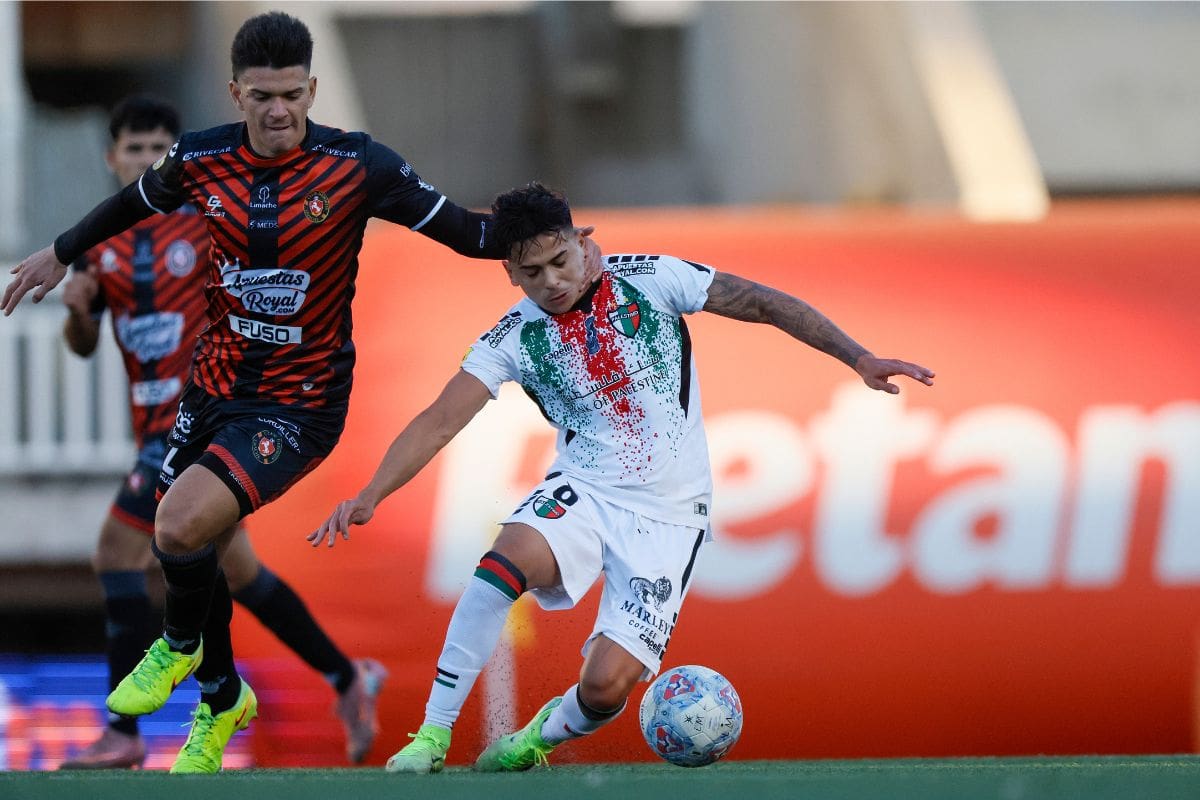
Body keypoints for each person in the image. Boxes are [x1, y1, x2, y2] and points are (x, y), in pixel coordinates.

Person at [1, 12, 562, 773]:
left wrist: (558, 239)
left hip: (301, 403)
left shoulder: (358, 165)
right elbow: (134, 201)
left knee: (176, 525)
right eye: (263, 96)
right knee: (188, 547)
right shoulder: (200, 158)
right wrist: (58, 253)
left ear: (313, 89)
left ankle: (178, 647)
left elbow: (469, 233)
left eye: (292, 95)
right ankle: (220, 699)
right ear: (236, 92)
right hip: (214, 386)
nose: (278, 111)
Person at [309, 182, 936, 773]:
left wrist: (859, 357)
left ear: (583, 241)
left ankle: (534, 740)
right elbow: (440, 419)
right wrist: (371, 494)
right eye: (531, 273)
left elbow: (763, 302)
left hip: (671, 517)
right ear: (509, 272)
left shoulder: (652, 279)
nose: (551, 282)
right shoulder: (512, 336)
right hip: (585, 491)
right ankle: (432, 736)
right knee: (501, 565)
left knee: (606, 689)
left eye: (560, 260)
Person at [55, 95, 387, 770]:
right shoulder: (103, 245)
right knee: (237, 573)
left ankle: (125, 730)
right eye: (135, 150)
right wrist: (79, 311)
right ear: (113, 159)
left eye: (159, 149)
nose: (148, 160)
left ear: (174, 157)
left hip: (218, 418)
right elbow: (84, 344)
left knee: (119, 553)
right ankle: (345, 677)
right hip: (163, 428)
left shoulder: (209, 222)